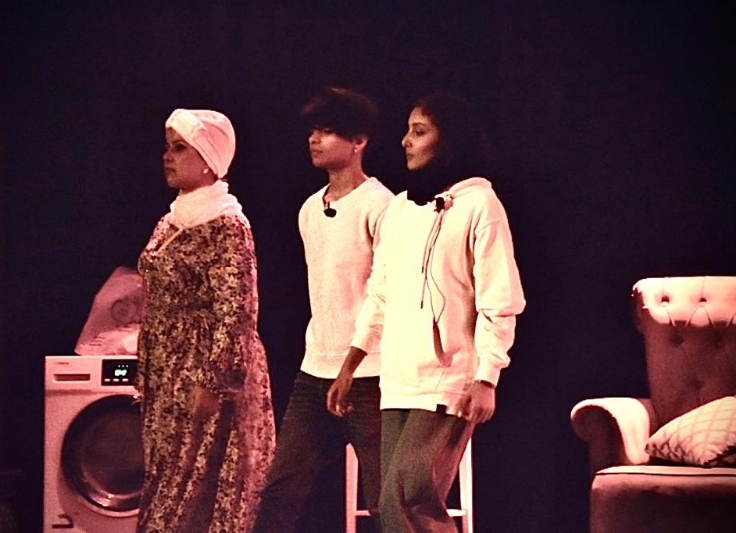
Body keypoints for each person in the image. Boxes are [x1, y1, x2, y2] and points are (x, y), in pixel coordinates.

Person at [327, 92, 526, 532]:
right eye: (407, 130)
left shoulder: (480, 205)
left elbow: (499, 298)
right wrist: (350, 364)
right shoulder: (399, 210)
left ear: (449, 138)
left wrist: (487, 377)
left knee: (408, 496)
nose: (405, 141)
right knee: (393, 504)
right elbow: (379, 294)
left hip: (450, 378)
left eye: (419, 131)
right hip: (398, 378)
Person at [252, 87, 393, 532]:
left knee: (385, 501)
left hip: (370, 376)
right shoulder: (310, 209)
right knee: (279, 492)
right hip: (315, 372)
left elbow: (384, 295)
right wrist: (325, 361)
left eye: (328, 131)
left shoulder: (381, 205)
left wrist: (351, 366)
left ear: (359, 141)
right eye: (313, 130)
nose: (314, 139)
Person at [135, 108, 275, 532]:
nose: (168, 156)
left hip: (203, 372)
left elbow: (237, 309)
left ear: (209, 161)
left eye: (180, 148)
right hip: (167, 373)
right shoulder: (172, 220)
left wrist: (215, 380)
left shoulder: (226, 224)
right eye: (167, 147)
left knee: (192, 491)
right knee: (166, 483)